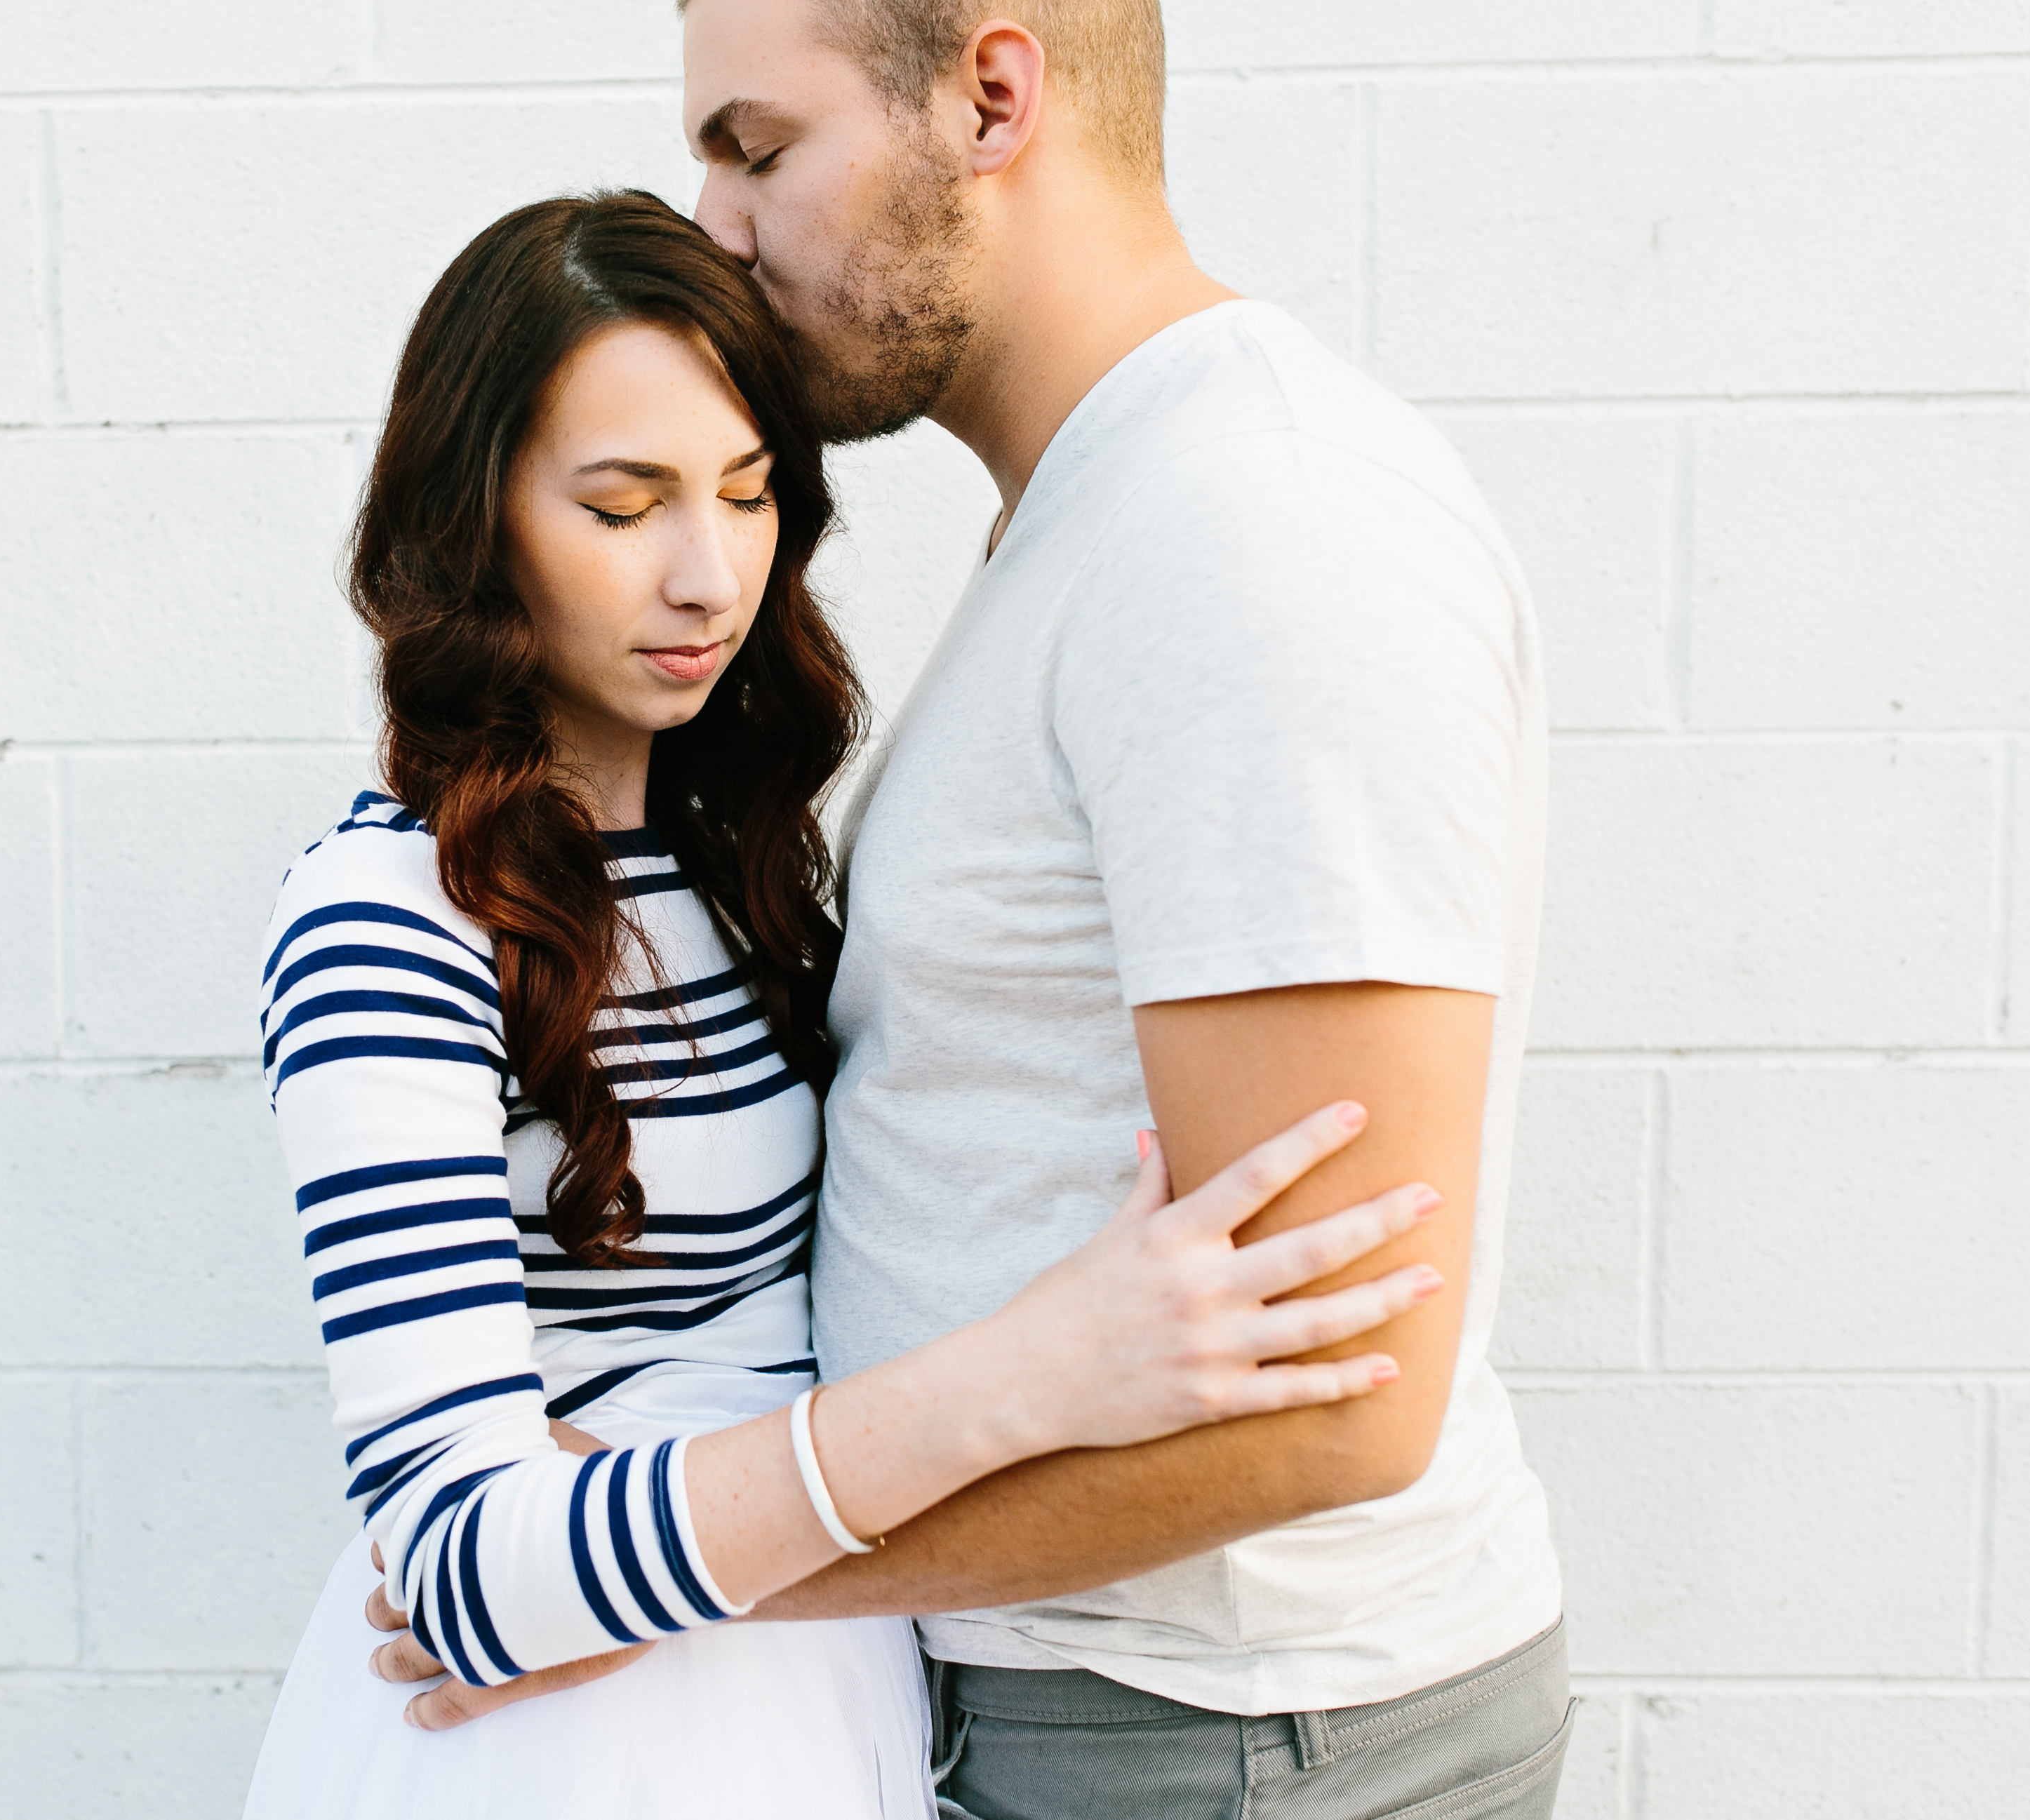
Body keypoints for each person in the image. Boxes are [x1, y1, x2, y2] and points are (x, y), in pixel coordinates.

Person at [366, 4, 1575, 1816]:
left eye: (756, 148)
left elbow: (1340, 1394)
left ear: (990, 96)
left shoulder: (1256, 528)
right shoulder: (1103, 507)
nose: (721, 222)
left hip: (1216, 1735)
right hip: (1093, 1701)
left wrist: (658, 1576)